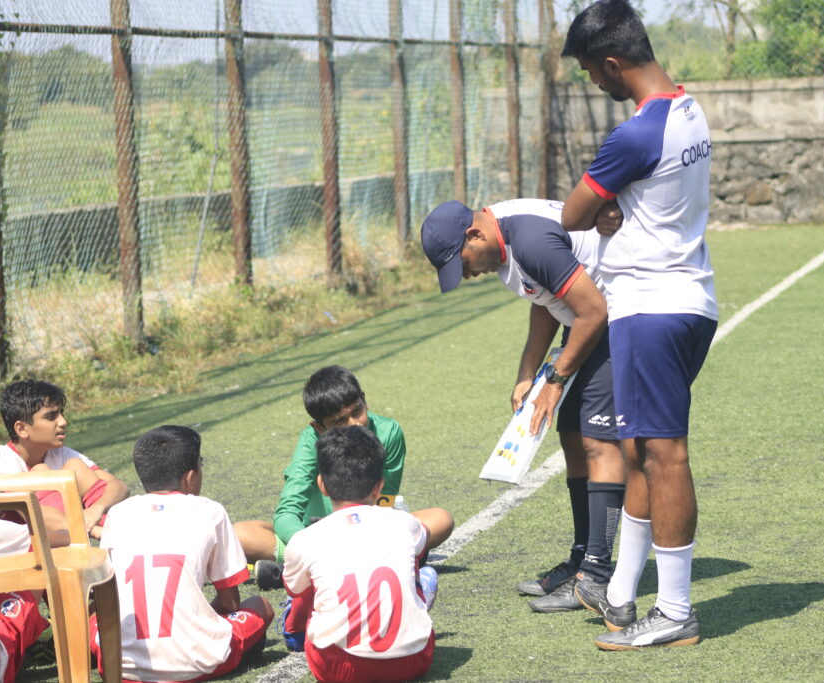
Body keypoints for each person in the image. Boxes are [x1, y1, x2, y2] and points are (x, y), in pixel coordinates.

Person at [559, 0, 718, 650]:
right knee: (637, 453)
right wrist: (615, 209)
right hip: (685, 298)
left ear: (614, 63)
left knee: (663, 455)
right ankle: (622, 592)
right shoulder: (688, 108)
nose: (594, 85)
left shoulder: (634, 134)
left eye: (594, 73)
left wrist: (601, 211)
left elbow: (573, 212)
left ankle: (675, 611)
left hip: (650, 309)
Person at [420, 198, 627, 614]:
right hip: (589, 324)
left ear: (474, 234)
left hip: (620, 320)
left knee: (597, 443)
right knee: (571, 437)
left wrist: (556, 379)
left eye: (461, 262)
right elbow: (547, 298)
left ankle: (597, 576)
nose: (466, 274)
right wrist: (527, 373)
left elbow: (593, 310)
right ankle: (582, 559)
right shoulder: (506, 244)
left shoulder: (529, 238)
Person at [91, 425, 274, 681]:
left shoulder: (118, 514)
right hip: (196, 664)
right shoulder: (209, 511)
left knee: (93, 618)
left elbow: (107, 595)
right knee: (260, 605)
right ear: (190, 477)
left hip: (119, 669)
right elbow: (230, 603)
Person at [280, 426, 452, 682]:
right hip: (414, 661)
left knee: (306, 593)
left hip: (338, 670)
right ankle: (412, 602)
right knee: (417, 568)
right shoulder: (405, 523)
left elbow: (301, 596)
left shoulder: (305, 539)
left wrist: (293, 632)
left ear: (322, 485)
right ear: (378, 487)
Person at [233, 365, 413, 591]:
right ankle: (317, 565)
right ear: (319, 428)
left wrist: (367, 536)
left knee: (439, 520)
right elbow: (287, 511)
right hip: (316, 533)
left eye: (357, 411)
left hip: (367, 532)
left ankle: (295, 571)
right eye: (339, 421)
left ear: (364, 400)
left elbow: (385, 498)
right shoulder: (310, 441)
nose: (354, 424)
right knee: (240, 534)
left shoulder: (389, 432)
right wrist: (317, 545)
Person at [0, 379, 129, 539]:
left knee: (75, 467)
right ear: (22, 429)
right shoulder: (1, 461)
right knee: (41, 472)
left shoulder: (60, 453)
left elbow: (119, 487)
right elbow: (38, 515)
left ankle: (122, 539)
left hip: (64, 536)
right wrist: (93, 530)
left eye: (61, 413)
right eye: (51, 417)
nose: (63, 422)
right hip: (16, 549)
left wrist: (96, 509)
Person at [0, 451, 66, 683]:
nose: (62, 423)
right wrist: (19, 503)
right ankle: (54, 629)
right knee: (36, 555)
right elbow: (64, 536)